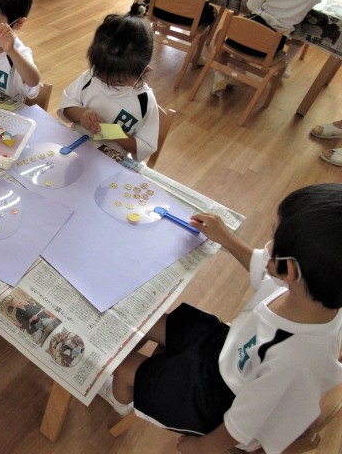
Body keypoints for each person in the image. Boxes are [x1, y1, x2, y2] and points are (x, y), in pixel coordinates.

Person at [98, 183, 342, 454]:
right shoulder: (314, 291)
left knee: (123, 368)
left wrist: (201, 448)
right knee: (146, 318)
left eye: (273, 239)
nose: (267, 244)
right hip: (230, 350)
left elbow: (241, 425)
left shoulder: (294, 359)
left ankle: (120, 401)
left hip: (220, 399)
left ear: (290, 270)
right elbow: (265, 270)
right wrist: (224, 237)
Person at [57, 7, 159, 162]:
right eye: (101, 74)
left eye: (118, 81)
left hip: (111, 162)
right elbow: (66, 107)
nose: (106, 83)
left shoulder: (145, 102)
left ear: (145, 71)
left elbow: (145, 146)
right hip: (75, 149)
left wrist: (115, 134)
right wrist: (81, 114)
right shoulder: (90, 77)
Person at [213, 0, 325, 92]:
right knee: (249, 37)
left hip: (245, 35)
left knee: (223, 38)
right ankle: (239, 71)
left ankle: (220, 75)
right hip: (270, 48)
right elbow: (310, 5)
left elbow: (251, 4)